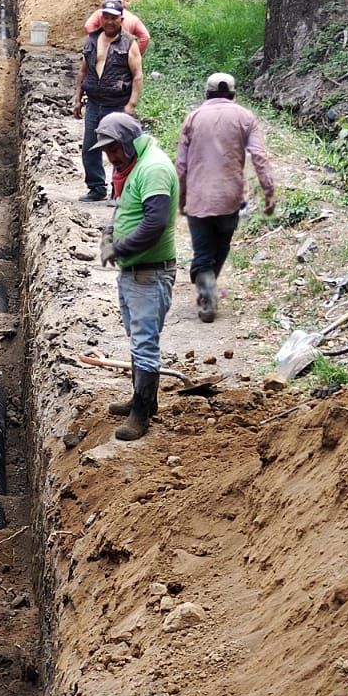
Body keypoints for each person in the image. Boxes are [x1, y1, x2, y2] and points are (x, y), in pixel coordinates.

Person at [92, 113, 179, 440]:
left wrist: (120, 247)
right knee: (137, 335)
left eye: (113, 150)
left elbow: (155, 223)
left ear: (128, 143)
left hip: (149, 272)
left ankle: (141, 415)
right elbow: (127, 208)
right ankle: (141, 399)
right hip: (135, 270)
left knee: (144, 341)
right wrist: (110, 232)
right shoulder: (134, 166)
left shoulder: (153, 169)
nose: (109, 157)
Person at [175, 71, 275, 321]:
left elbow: (181, 165)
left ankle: (205, 284)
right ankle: (208, 283)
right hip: (230, 197)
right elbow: (259, 157)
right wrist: (268, 191)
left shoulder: (193, 118)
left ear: (207, 93)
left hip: (198, 198)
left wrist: (180, 197)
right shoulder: (245, 117)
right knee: (222, 246)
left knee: (202, 252)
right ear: (233, 94)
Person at [73, 4, 143, 202]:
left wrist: (131, 105)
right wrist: (77, 99)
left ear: (121, 19)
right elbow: (82, 71)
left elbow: (137, 75)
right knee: (90, 147)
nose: (109, 21)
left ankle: (119, 191)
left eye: (114, 17)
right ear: (100, 18)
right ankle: (96, 188)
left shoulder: (128, 43)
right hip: (94, 103)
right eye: (106, 17)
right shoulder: (92, 40)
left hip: (117, 104)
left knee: (118, 150)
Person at [83, 0, 150, 55]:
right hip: (122, 53)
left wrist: (96, 43)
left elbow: (88, 26)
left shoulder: (99, 14)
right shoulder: (132, 18)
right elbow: (145, 37)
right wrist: (134, 54)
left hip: (105, 50)